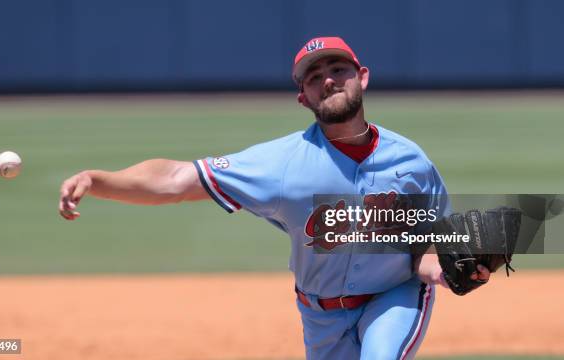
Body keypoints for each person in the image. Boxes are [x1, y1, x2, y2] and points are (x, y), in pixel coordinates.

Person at [58, 36, 490, 359]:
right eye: (314, 77)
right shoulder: (279, 165)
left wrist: (434, 264)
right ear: (304, 97)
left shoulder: (411, 160)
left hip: (395, 295)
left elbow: (432, 237)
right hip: (321, 315)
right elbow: (174, 179)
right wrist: (99, 180)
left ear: (361, 77)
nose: (327, 80)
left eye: (337, 69)